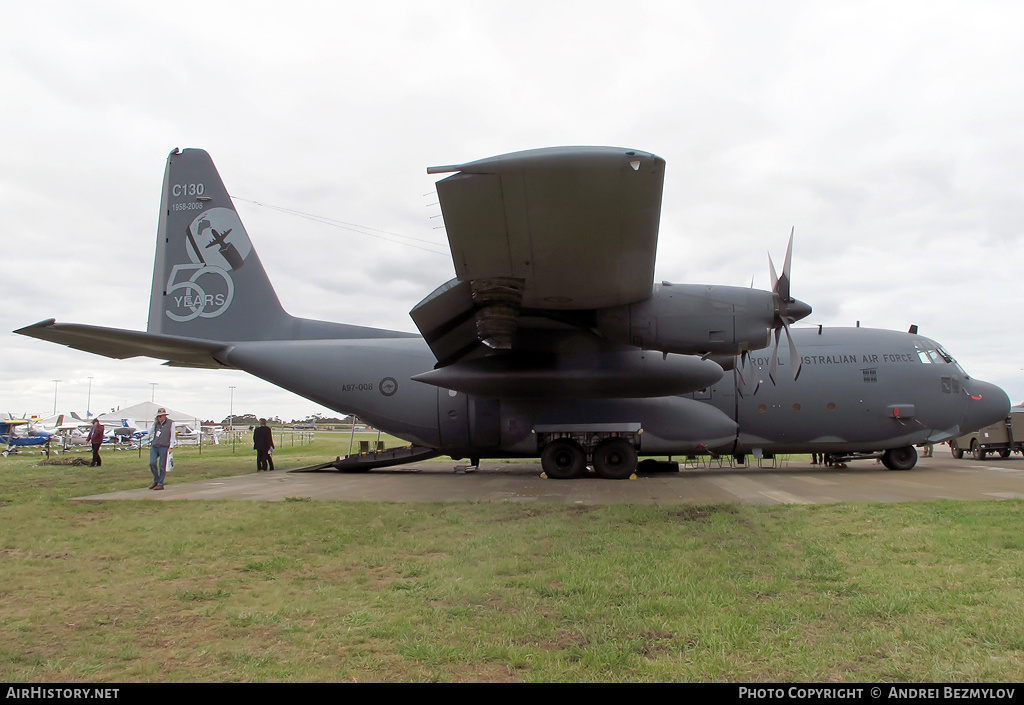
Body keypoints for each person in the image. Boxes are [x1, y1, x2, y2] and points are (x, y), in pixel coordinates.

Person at [148, 408, 174, 490]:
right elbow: (150, 432)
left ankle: (160, 483)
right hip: (155, 445)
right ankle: (156, 479)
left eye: (161, 417)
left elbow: (172, 435)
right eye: (158, 417)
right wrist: (154, 423)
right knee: (152, 463)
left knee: (162, 465)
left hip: (164, 446)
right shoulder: (156, 424)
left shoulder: (170, 423)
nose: (159, 418)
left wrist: (171, 446)